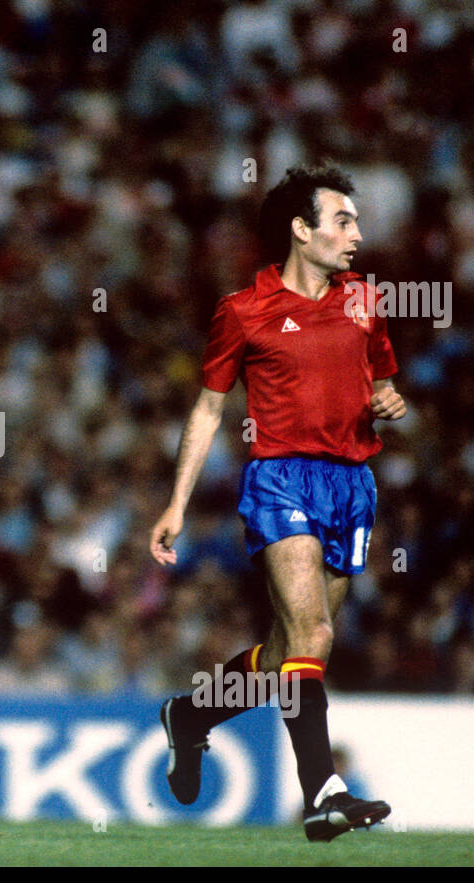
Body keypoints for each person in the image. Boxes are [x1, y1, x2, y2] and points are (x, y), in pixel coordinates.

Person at [149, 163, 406, 841]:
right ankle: (322, 790)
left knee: (286, 652)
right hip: (280, 479)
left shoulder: (366, 301)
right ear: (302, 229)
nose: (356, 232)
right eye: (343, 220)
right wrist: (177, 502)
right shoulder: (244, 310)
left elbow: (378, 385)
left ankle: (193, 716)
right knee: (313, 635)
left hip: (352, 484)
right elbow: (207, 411)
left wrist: (386, 402)